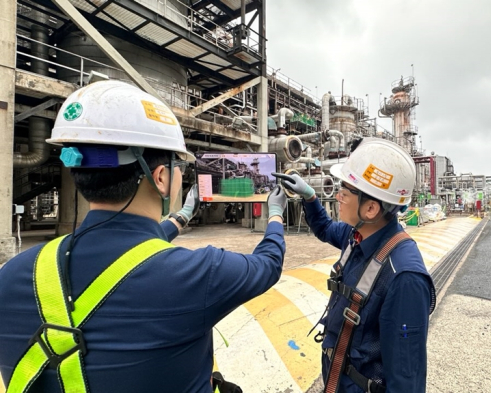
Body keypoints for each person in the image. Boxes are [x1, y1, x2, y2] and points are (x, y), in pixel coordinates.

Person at [0, 80, 288, 393]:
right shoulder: (202, 273)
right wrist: (275, 213)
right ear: (161, 178)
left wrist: (181, 217)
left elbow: (133, 256)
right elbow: (268, 264)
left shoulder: (14, 275)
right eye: (178, 166)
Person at [275, 138, 436, 393]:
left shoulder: (405, 278)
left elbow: (407, 381)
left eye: (345, 191)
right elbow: (325, 228)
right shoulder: (358, 236)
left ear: (371, 208)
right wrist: (310, 197)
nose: (338, 196)